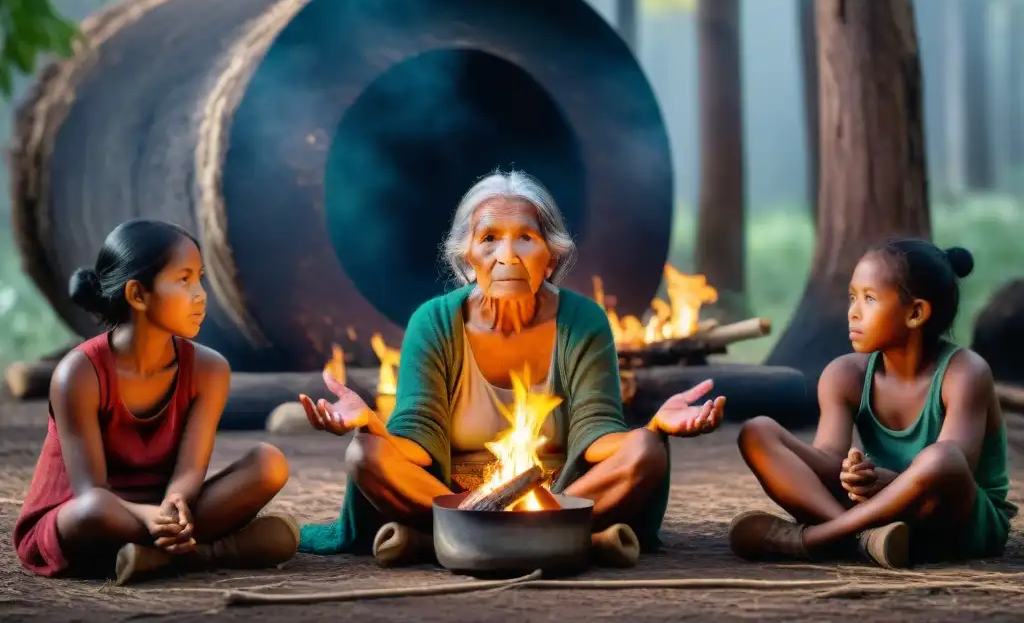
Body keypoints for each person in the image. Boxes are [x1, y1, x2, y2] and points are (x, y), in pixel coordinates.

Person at [298, 169, 727, 564]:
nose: (508, 255)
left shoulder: (583, 321)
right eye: (489, 239)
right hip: (453, 497)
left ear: (551, 257)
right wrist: (372, 424)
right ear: (467, 258)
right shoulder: (433, 322)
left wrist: (654, 427)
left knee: (647, 453)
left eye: (525, 237)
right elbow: (416, 436)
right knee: (365, 454)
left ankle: (456, 540)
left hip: (560, 495)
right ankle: (544, 538)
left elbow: (596, 429)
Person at [13, 219, 298, 585]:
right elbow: (90, 490)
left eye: (200, 277)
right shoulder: (79, 374)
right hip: (90, 514)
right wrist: (145, 516)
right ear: (137, 295)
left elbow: (190, 468)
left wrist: (175, 501)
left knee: (269, 464)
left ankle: (151, 556)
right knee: (93, 511)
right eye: (184, 280)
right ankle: (212, 553)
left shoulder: (209, 370)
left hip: (166, 508)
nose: (200, 294)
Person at [729, 239, 1017, 568]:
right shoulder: (845, 374)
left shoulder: (965, 372)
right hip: (884, 514)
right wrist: (854, 475)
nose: (852, 311)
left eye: (869, 298)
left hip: (959, 521)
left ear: (915, 313)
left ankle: (816, 539)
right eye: (852, 297)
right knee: (758, 431)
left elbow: (951, 471)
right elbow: (828, 459)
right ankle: (863, 540)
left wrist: (887, 480)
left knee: (942, 457)